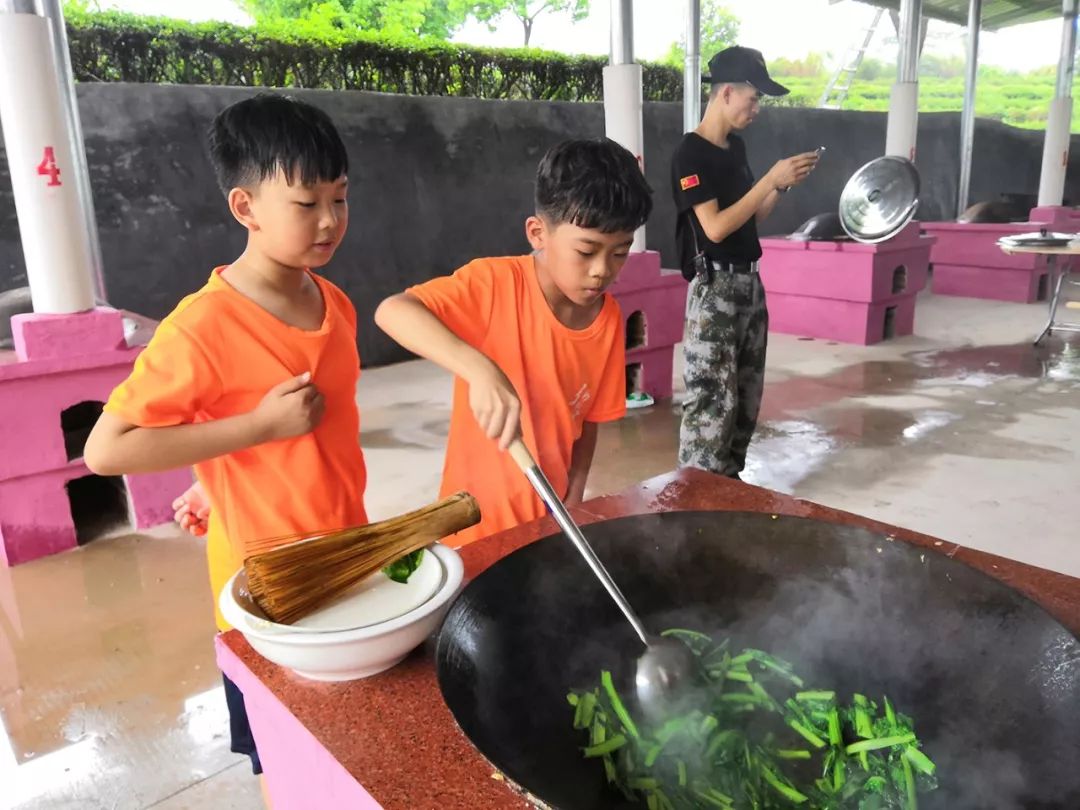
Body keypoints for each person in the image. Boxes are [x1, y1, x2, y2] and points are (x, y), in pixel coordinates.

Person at [83, 93, 367, 786]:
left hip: (349, 555)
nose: (329, 220)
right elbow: (108, 447)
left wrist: (214, 474)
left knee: (354, 743)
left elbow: (304, 444)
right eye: (306, 203)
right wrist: (255, 430)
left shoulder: (336, 303)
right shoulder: (202, 326)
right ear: (246, 208)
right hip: (264, 589)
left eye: (340, 198)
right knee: (285, 756)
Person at [374, 138, 652, 545]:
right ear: (538, 233)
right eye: (586, 251)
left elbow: (587, 423)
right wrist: (479, 369)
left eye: (619, 253)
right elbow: (393, 311)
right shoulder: (494, 285)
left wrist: (572, 500)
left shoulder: (607, 318)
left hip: (545, 521)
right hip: (472, 527)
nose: (601, 271)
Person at [672, 46, 819, 479]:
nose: (757, 109)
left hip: (749, 286)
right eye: (753, 99)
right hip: (714, 288)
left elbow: (753, 217)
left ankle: (729, 488)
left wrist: (781, 186)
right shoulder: (690, 154)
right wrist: (769, 179)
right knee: (712, 404)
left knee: (745, 400)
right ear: (726, 94)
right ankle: (696, 494)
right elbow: (714, 228)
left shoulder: (734, 150)